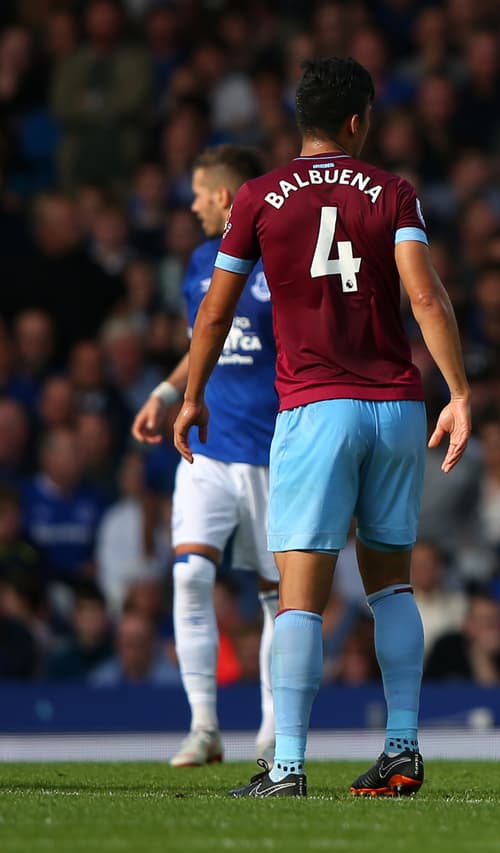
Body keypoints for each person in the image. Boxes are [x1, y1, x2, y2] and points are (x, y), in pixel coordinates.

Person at [174, 57, 470, 798]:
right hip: (397, 407)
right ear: (357, 120)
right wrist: (459, 392)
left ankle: (288, 765)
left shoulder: (258, 196)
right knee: (392, 587)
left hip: (315, 408)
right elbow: (425, 299)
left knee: (301, 596)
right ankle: (401, 748)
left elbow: (216, 310)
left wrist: (192, 392)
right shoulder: (394, 191)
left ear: (301, 120)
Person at [131, 144, 279, 768]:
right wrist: (167, 392)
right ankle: (204, 728)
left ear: (225, 196)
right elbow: (206, 340)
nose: (191, 204)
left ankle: (276, 728)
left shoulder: (286, 258)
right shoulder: (198, 262)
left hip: (276, 453)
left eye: (198, 191)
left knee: (281, 599)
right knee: (190, 574)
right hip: (208, 449)